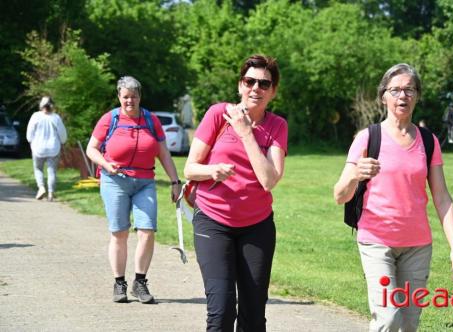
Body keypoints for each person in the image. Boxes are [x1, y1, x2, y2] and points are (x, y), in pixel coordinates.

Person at [333, 63, 453, 332]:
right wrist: (356, 174)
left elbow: (442, 198)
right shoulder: (367, 138)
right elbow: (339, 195)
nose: (402, 96)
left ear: (417, 95)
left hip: (418, 246)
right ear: (383, 96)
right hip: (376, 242)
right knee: (388, 318)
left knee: (408, 324)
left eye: (409, 89)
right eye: (395, 90)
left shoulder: (429, 142)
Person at [184, 54, 288, 331]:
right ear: (240, 85)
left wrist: (245, 133)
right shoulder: (219, 114)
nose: (256, 88)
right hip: (213, 222)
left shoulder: (277, 126)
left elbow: (269, 180)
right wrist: (211, 171)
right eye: (249, 81)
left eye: (264, 84)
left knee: (254, 316)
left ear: (273, 91)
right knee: (221, 310)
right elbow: (190, 169)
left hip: (257, 227)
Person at [86, 76, 182, 304]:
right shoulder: (110, 119)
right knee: (119, 233)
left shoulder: (150, 120)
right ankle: (119, 283)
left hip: (145, 181)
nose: (130, 101)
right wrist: (106, 165)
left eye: (134, 96)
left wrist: (175, 181)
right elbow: (92, 149)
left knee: (147, 231)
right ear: (119, 96)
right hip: (114, 180)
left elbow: (163, 153)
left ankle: (140, 283)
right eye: (125, 96)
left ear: (140, 96)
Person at [26, 96, 67, 201]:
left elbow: (29, 134)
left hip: (38, 148)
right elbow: (63, 135)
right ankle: (51, 193)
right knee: (52, 171)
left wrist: (30, 141)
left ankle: (41, 187)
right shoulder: (56, 117)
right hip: (53, 148)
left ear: (41, 106)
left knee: (38, 169)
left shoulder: (35, 116)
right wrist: (62, 142)